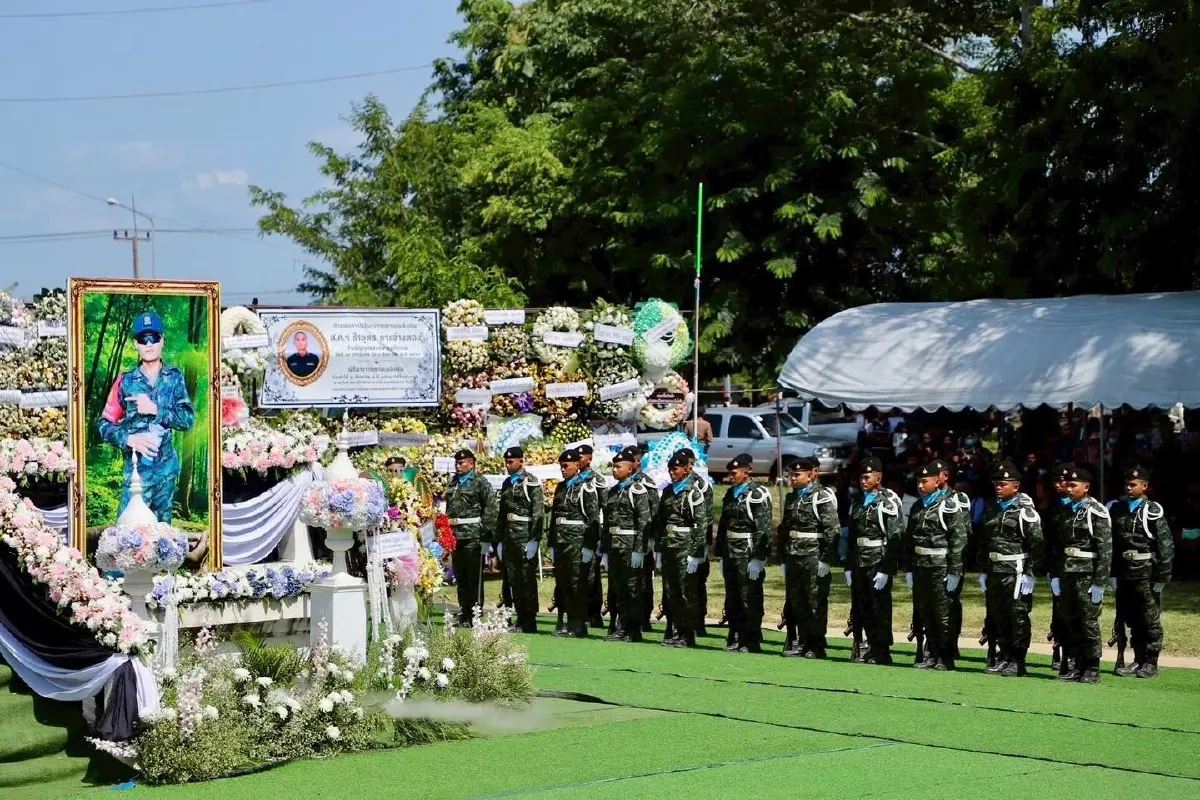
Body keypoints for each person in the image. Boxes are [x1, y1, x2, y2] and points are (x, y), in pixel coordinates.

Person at [98, 311, 196, 523]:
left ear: (162, 342)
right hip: (136, 476)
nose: (149, 344)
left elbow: (187, 419)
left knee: (163, 538)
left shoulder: (175, 377)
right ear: (136, 344)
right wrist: (129, 439)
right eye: (143, 339)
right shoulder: (125, 381)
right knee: (127, 534)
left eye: (154, 338)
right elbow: (104, 425)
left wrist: (155, 409)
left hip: (166, 473)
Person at [977, 461, 1045, 677]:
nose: (998, 486)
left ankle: (1018, 660)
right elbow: (984, 541)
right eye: (996, 483)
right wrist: (982, 570)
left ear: (1015, 487)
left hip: (1016, 570)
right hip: (995, 570)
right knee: (999, 616)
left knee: (1018, 616)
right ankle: (1004, 656)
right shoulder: (992, 508)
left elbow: (1037, 544)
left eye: (1003, 483)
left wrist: (1030, 574)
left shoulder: (1025, 511)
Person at [901, 461, 969, 670]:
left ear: (937, 481)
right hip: (921, 566)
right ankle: (930, 654)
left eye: (925, 481)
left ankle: (945, 657)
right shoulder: (917, 505)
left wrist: (955, 571)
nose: (920, 486)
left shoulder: (948, 505)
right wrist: (909, 568)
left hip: (941, 566)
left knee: (943, 614)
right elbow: (910, 539)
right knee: (925, 612)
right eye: (918, 482)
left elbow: (959, 539)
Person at [1109, 466, 1173, 678]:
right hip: (1125, 571)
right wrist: (1112, 573)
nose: (1129, 488)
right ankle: (1137, 659)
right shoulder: (1117, 509)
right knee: (1131, 617)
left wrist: (1162, 576)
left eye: (1133, 484)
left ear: (1144, 486)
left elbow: (1165, 545)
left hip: (1146, 571)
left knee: (1149, 617)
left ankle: (1151, 662)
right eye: (1127, 484)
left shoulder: (1152, 510)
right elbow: (1115, 545)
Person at [1054, 467, 1112, 683]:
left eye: (1073, 485)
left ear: (1086, 487)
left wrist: (1100, 582)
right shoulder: (1066, 510)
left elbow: (1105, 550)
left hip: (1087, 574)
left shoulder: (1096, 511)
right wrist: (1056, 575)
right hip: (1068, 572)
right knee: (1071, 620)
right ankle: (1075, 664)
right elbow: (1060, 545)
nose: (1069, 489)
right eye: (1067, 484)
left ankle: (1092, 666)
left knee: (1088, 621)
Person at [778, 456, 840, 658]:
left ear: (810, 475)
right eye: (791, 475)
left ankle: (816, 644)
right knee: (797, 602)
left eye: (797, 475)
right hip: (794, 555)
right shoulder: (792, 497)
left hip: (813, 555)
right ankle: (802, 642)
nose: (793, 479)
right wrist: (782, 557)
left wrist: (826, 559)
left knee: (815, 602)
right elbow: (785, 529)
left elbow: (832, 530)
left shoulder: (821, 497)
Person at [846, 456, 903, 665]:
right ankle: (870, 646)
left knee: (880, 607)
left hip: (878, 560)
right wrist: (848, 565)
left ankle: (882, 650)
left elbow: (895, 536)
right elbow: (853, 536)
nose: (863, 481)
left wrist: (887, 569)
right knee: (863, 607)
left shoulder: (888, 500)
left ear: (878, 478)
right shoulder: (858, 500)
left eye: (867, 477)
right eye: (861, 477)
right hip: (860, 560)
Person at [716, 453, 772, 653]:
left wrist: (758, 557)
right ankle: (736, 634)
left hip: (747, 552)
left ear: (747, 471)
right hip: (731, 551)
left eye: (734, 472)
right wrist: (720, 554)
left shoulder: (756, 494)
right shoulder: (731, 494)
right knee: (733, 597)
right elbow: (723, 525)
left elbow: (763, 528)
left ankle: (751, 639)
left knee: (749, 597)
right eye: (730, 472)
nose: (731, 476)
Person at [652, 451, 709, 648]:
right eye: (670, 469)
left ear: (686, 470)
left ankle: (688, 633)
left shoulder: (693, 493)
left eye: (675, 469)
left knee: (687, 592)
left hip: (685, 546)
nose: (671, 472)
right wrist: (659, 548)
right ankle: (675, 630)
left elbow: (701, 525)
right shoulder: (668, 491)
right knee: (671, 591)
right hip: (669, 546)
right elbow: (661, 520)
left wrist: (696, 553)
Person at [548, 449, 602, 637]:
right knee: (563, 583)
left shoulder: (585, 488)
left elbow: (593, 518)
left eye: (566, 466)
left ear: (577, 466)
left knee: (577, 584)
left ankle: (579, 624)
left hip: (577, 542)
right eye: (561, 466)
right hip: (562, 542)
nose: (562, 470)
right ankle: (567, 621)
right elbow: (555, 516)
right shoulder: (561, 487)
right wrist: (552, 542)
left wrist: (589, 546)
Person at [601, 449, 653, 642]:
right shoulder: (613, 491)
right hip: (615, 547)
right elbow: (607, 524)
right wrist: (605, 550)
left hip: (630, 546)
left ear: (630, 469)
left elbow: (644, 521)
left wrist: (639, 549)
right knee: (618, 588)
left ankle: (634, 629)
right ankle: (621, 627)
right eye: (614, 466)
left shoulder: (637, 490)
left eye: (619, 466)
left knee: (633, 589)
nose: (615, 470)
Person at [444, 449, 498, 627]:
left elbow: (490, 509)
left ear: (472, 463)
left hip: (473, 535)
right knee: (460, 576)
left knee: (473, 575)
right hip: (455, 536)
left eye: (462, 463)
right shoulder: (453, 483)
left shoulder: (480, 482)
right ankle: (464, 610)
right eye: (457, 463)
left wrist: (486, 537)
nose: (458, 466)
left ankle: (475, 611)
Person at [494, 446, 544, 634]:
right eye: (506, 462)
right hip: (510, 538)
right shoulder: (507, 483)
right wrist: (499, 540)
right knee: (512, 580)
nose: (508, 465)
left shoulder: (530, 482)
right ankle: (518, 618)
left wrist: (534, 540)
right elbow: (502, 514)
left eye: (511, 461)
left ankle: (529, 620)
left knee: (526, 580)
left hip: (524, 537)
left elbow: (538, 514)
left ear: (521, 461)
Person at [680, 448, 714, 637]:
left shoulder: (701, 486)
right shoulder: (676, 484)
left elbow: (706, 520)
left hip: (696, 543)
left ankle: (698, 622)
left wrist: (701, 549)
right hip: (679, 544)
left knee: (697, 584)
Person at [632, 445, 661, 634]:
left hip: (642, 540)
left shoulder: (646, 483)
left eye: (634, 460)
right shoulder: (623, 483)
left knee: (643, 581)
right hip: (624, 540)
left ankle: (644, 617)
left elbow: (654, 512)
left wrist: (651, 539)